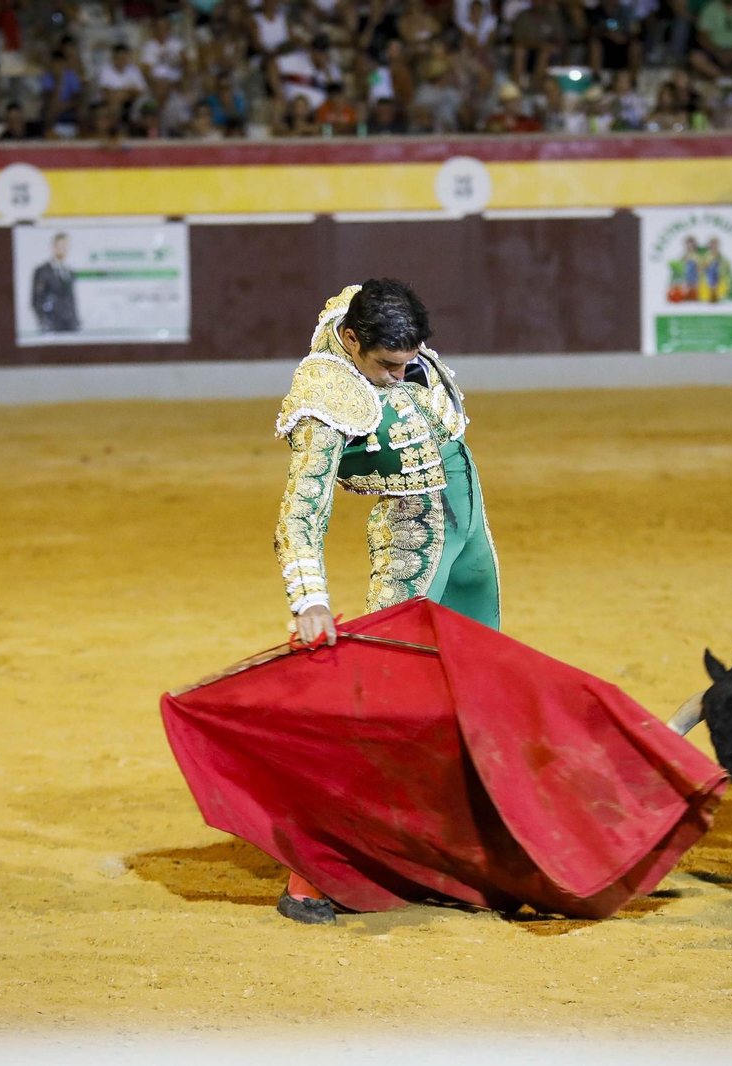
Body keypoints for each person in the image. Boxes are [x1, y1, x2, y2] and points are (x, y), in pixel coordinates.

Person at [272, 279, 500, 924]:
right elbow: (301, 510)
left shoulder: (387, 338)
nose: (402, 376)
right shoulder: (325, 394)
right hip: (411, 538)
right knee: (378, 705)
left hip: (467, 524)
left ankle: (444, 845)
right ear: (351, 342)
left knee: (471, 688)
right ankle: (310, 876)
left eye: (410, 361)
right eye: (387, 367)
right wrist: (309, 597)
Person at [31, 232, 79, 332]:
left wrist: (76, 321)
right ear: (54, 247)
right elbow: (36, 300)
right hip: (53, 327)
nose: (64, 250)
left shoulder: (70, 272)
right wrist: (45, 323)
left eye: (66, 247)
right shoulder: (43, 271)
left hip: (70, 326)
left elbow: (71, 299)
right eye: (61, 246)